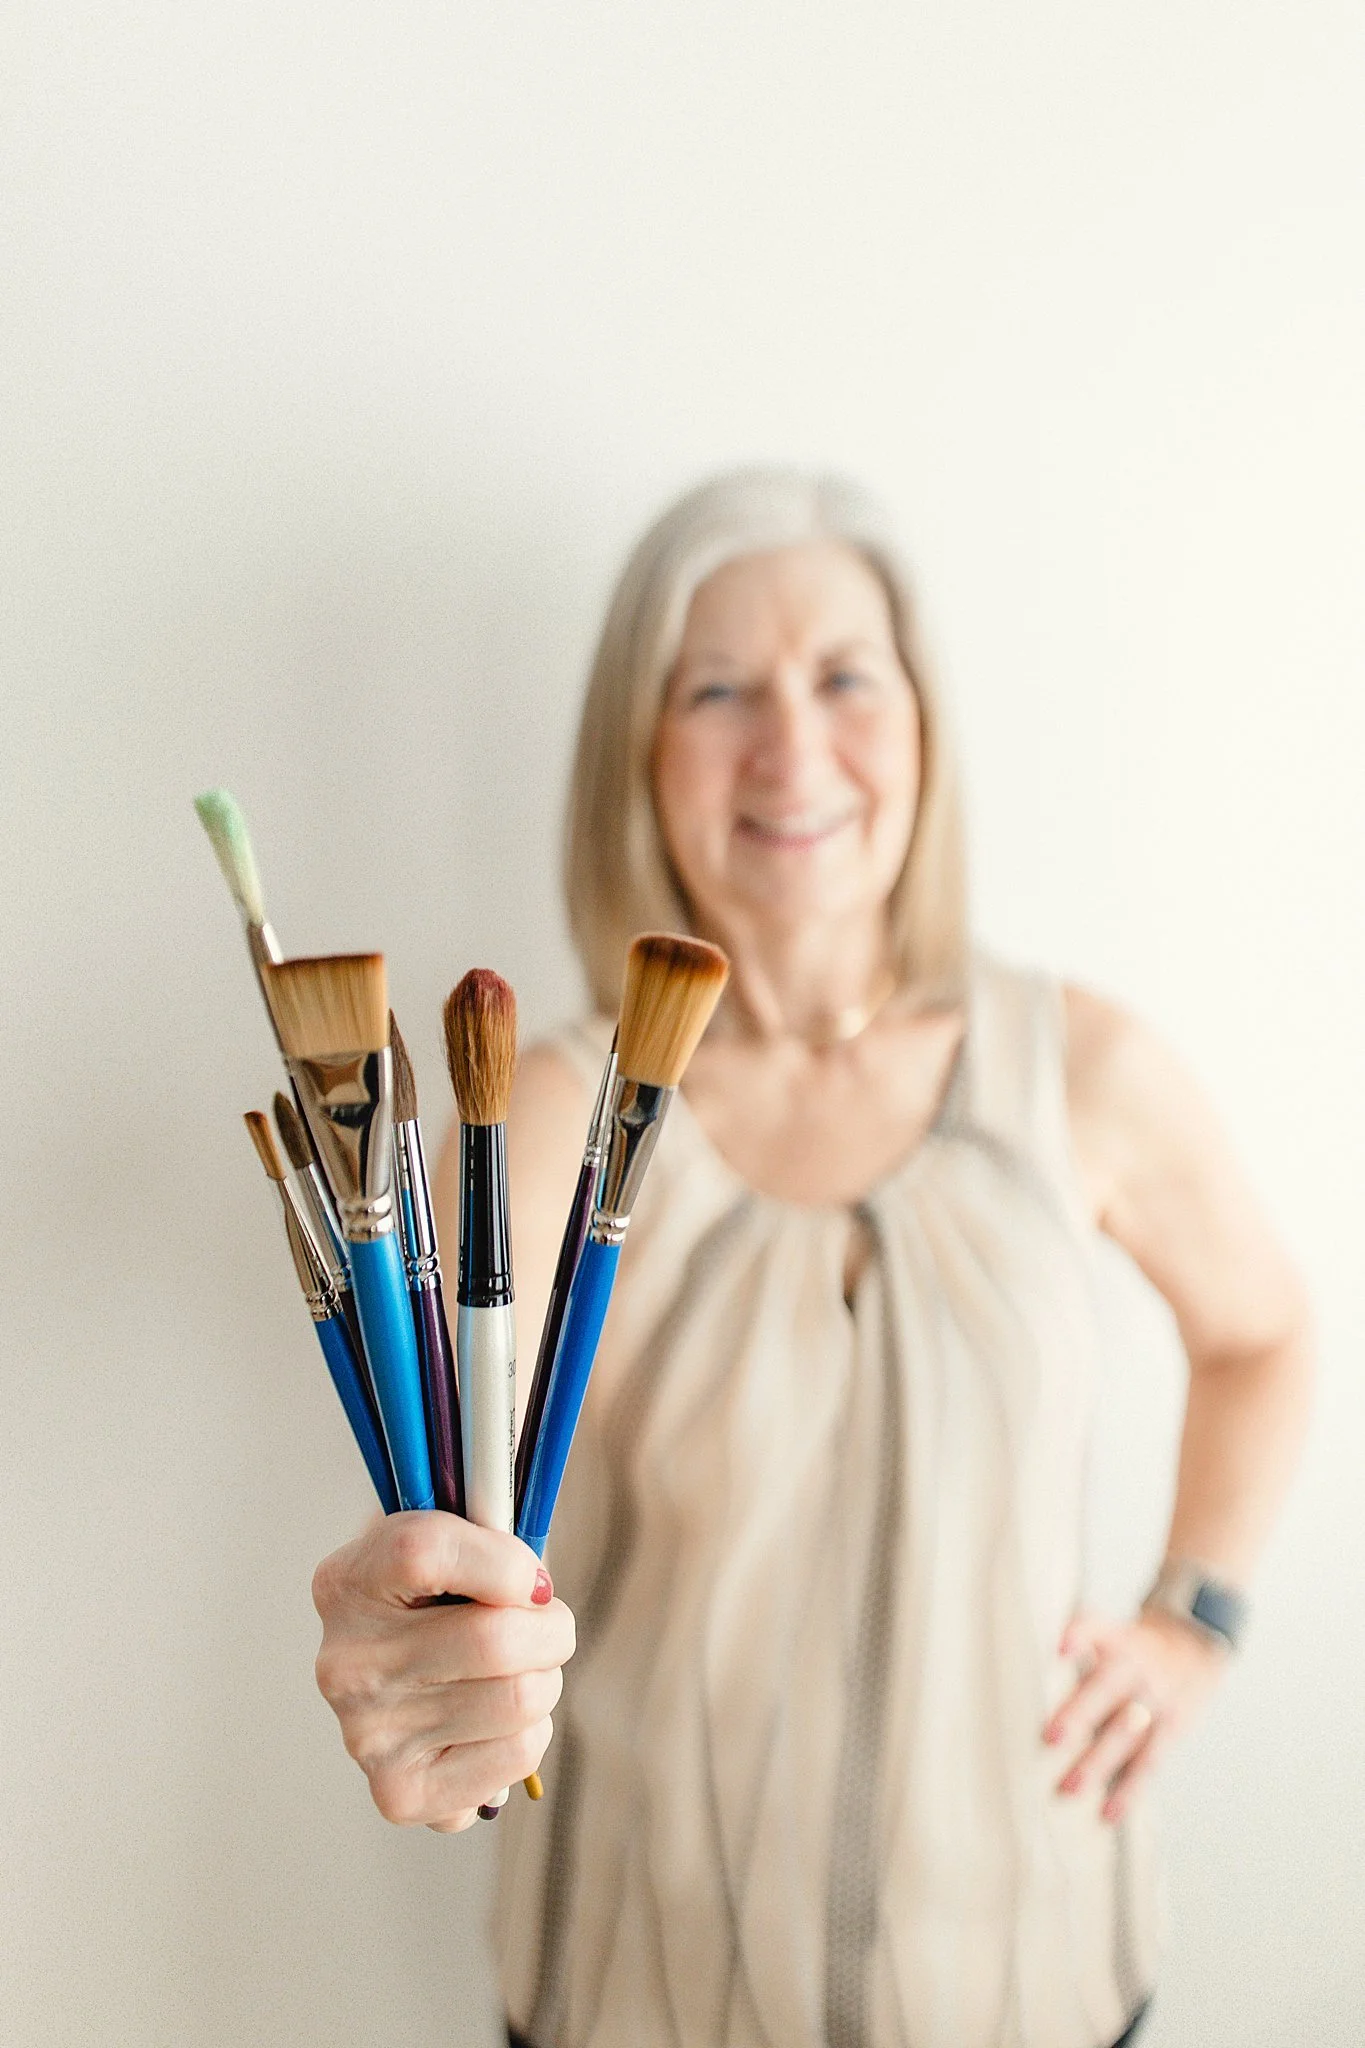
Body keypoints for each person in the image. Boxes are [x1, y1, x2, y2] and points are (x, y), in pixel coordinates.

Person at [310, 470, 1314, 2048]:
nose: (794, 747)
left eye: (844, 675)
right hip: (637, 1986)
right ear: (637, 757)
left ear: (921, 723)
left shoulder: (1089, 1071)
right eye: (719, 690)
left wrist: (1196, 1618)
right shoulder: (554, 1114)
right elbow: (444, 1538)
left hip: (1043, 1975)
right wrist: (415, 1668)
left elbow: (1265, 1337)